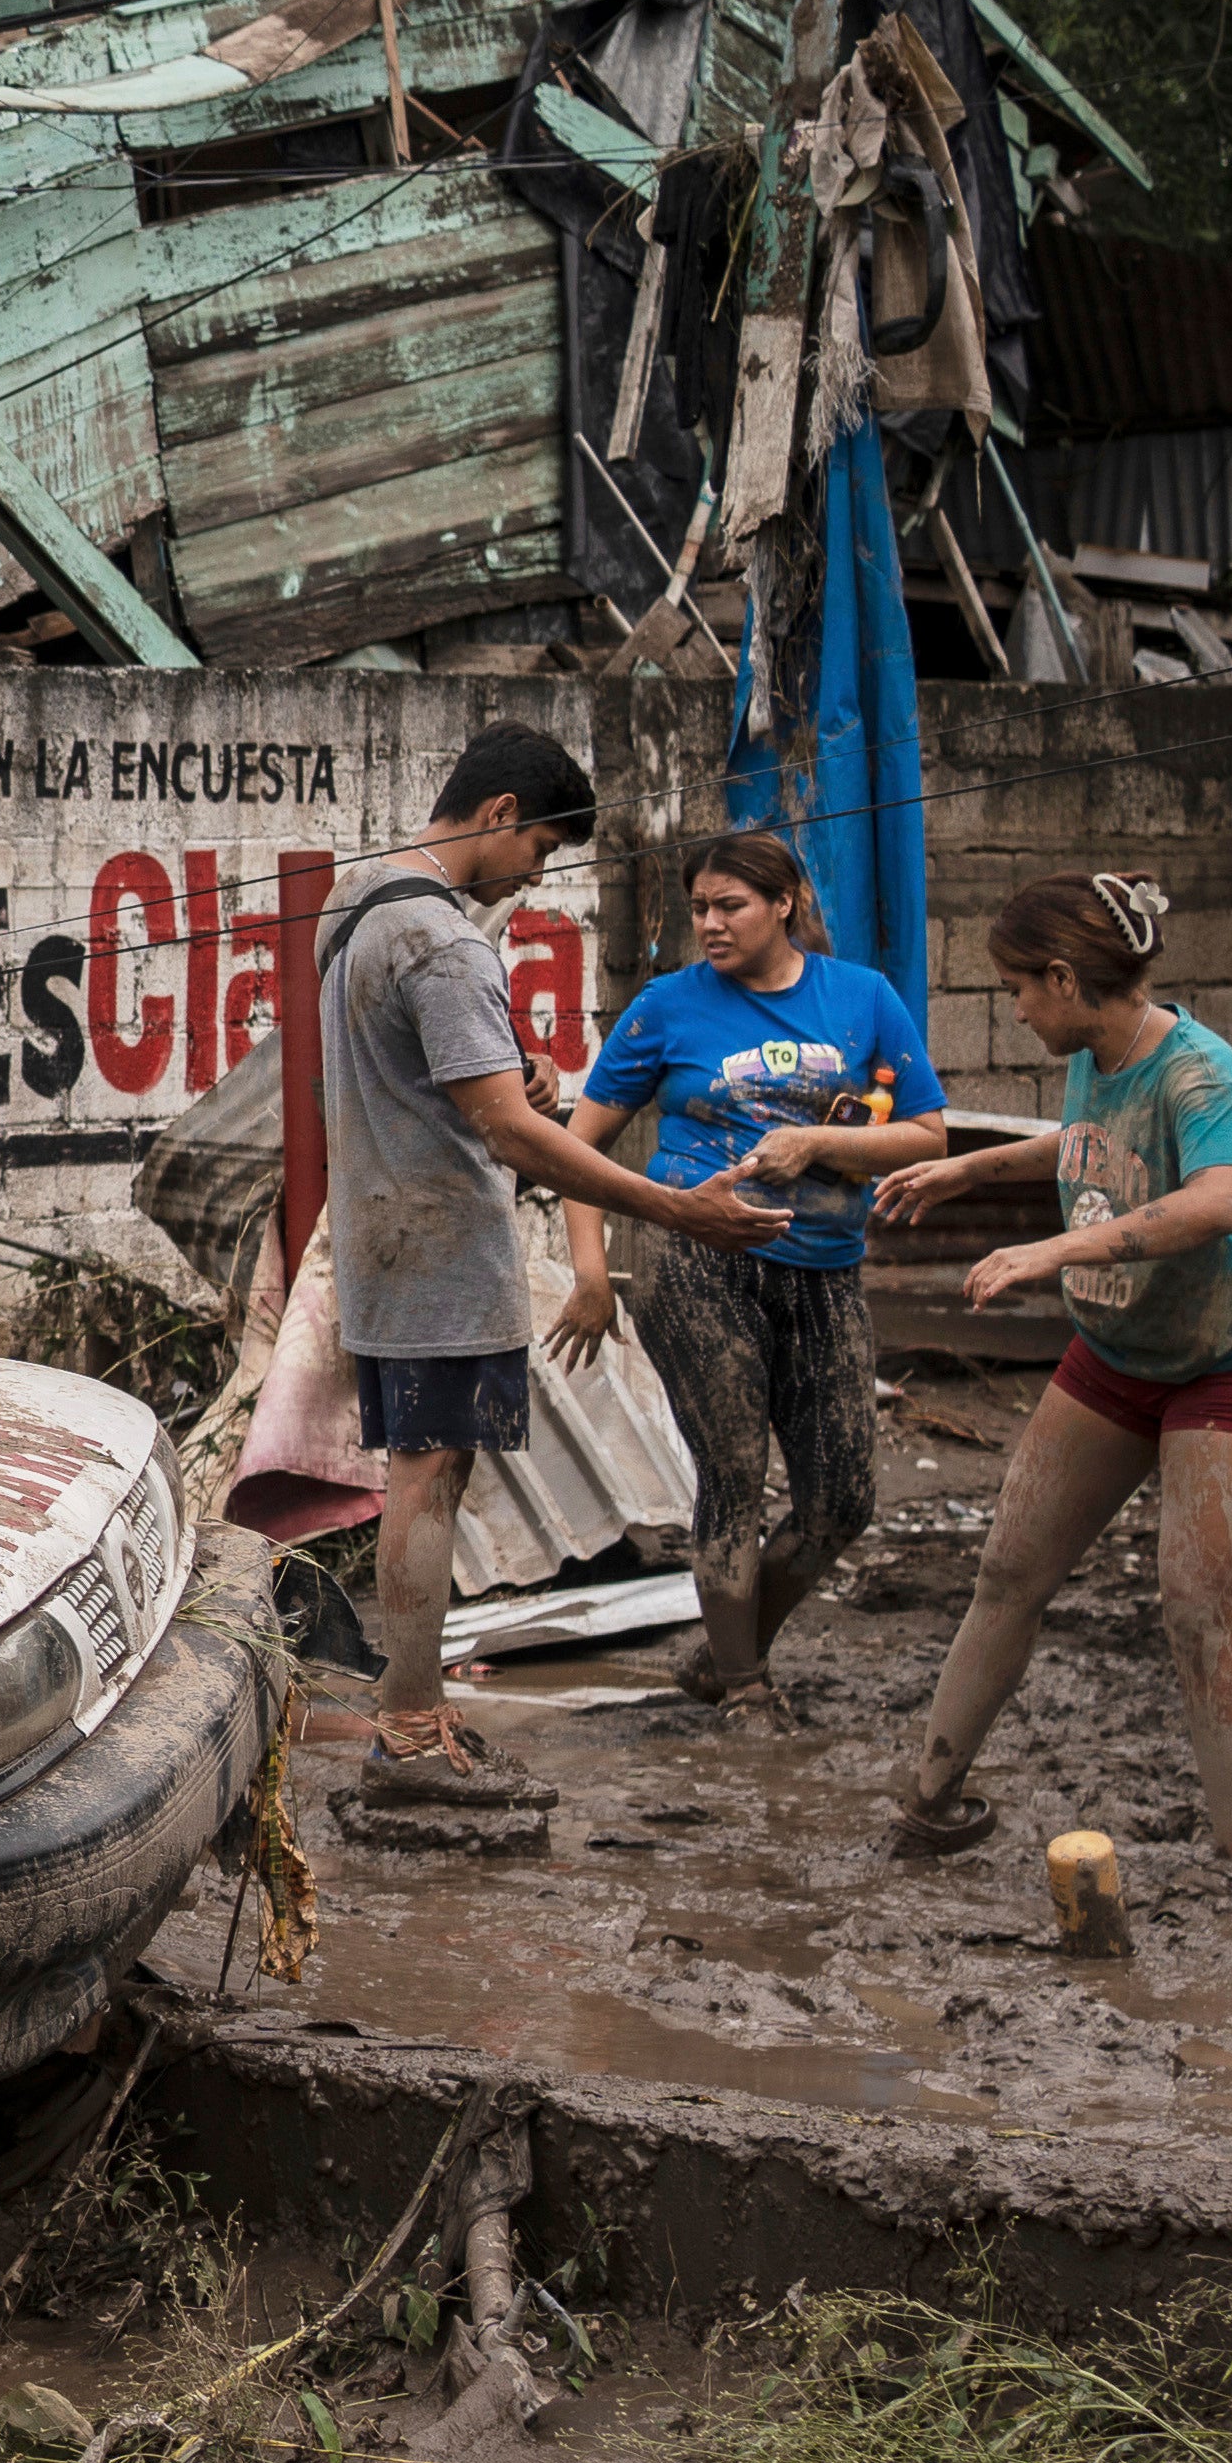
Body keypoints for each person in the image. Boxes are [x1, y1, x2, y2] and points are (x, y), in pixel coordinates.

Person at [308, 725, 785, 1789]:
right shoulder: (444, 940)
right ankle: (412, 1730)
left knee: (421, 1470)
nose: (538, 876)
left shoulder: (353, 904)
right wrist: (671, 1205)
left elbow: (439, 1083)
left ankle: (411, 1720)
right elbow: (511, 1133)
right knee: (430, 1477)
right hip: (437, 1247)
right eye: (543, 852)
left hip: (382, 1238)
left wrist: (505, 1091)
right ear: (500, 815)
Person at [865, 871, 1232, 1864]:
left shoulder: (1202, 1070)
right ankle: (929, 1805)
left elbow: (1217, 1200)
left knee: (1196, 1608)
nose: (1014, 1008)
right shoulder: (1100, 1054)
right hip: (1114, 1354)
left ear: (1064, 978)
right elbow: (1096, 1145)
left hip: (1224, 1363)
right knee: (1009, 1568)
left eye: (1019, 987)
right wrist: (976, 1165)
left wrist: (1054, 1252)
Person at [561, 829, 946, 1737]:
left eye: (729, 905)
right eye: (699, 908)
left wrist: (820, 1143)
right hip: (695, 1261)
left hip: (824, 1270)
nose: (710, 924)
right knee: (733, 1465)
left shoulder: (864, 999)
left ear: (784, 903)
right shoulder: (667, 1008)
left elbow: (928, 1136)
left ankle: (725, 1650)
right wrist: (590, 1274)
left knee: (842, 1499)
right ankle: (744, 1688)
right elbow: (578, 1150)